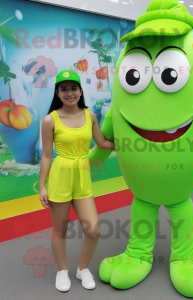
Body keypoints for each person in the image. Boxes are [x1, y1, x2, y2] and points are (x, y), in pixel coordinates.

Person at [39, 70, 115, 292]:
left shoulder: (90, 115)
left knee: (93, 230)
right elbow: (45, 156)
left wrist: (128, 143)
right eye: (64, 89)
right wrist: (42, 186)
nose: (69, 93)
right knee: (59, 230)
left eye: (73, 88)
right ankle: (62, 271)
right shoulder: (49, 120)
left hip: (82, 179)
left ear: (80, 91)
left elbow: (101, 143)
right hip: (60, 177)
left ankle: (82, 269)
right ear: (58, 93)